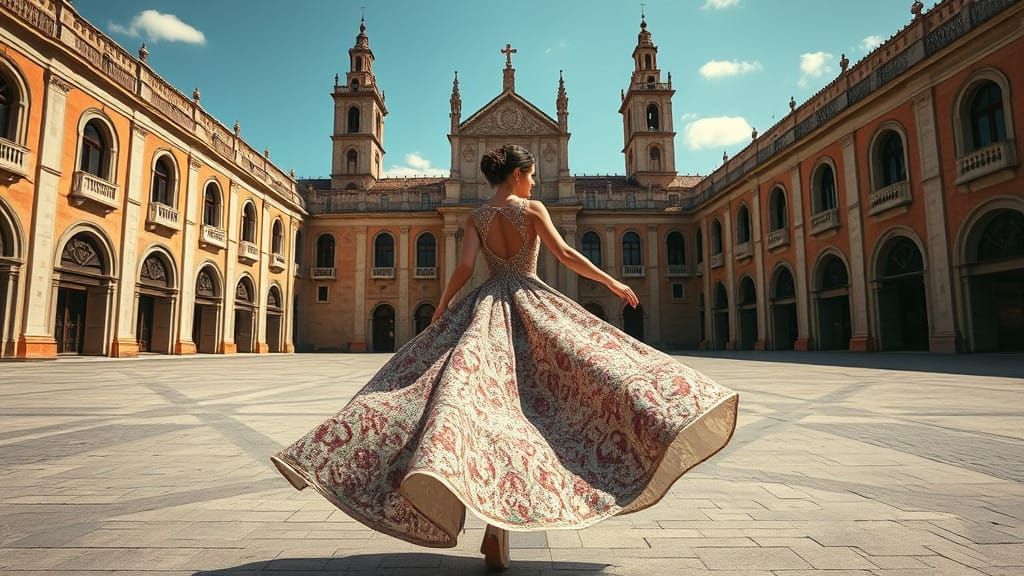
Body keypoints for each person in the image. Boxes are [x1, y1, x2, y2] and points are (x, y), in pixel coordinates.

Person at [271, 144, 739, 570]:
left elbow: (464, 268)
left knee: (488, 413)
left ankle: (495, 529)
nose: (534, 183)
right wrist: (611, 282)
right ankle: (502, 527)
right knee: (574, 383)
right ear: (517, 175)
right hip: (532, 305)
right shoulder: (532, 209)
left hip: (487, 309)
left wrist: (443, 305)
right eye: (530, 175)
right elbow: (566, 255)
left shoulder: (477, 216)